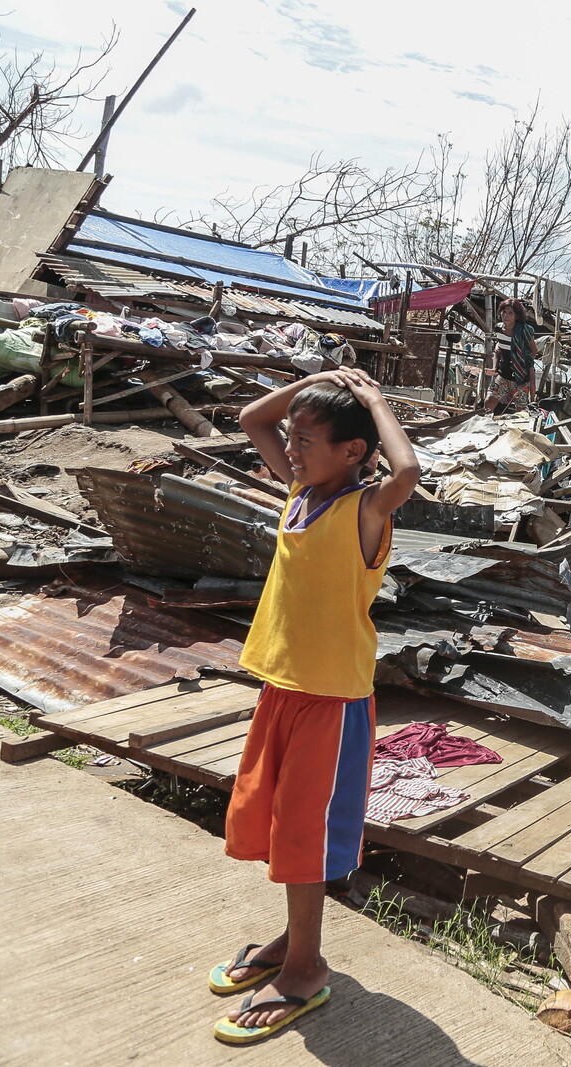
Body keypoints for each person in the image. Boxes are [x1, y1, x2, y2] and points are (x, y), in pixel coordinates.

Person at [206, 368, 421, 1045]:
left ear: (354, 451)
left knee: (305, 834)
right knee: (274, 822)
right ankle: (295, 939)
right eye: (291, 438)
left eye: (307, 439)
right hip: (286, 686)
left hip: (331, 700)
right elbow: (250, 417)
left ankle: (305, 967)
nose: (291, 449)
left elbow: (408, 470)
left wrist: (375, 399)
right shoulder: (302, 492)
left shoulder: (365, 509)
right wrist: (319, 378)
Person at [483, 297, 539, 414]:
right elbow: (498, 349)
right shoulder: (498, 328)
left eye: (510, 313)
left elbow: (534, 351)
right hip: (503, 375)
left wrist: (523, 364)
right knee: (489, 402)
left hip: (521, 379)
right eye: (504, 312)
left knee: (521, 412)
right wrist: (495, 367)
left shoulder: (524, 330)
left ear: (516, 316)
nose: (506, 316)